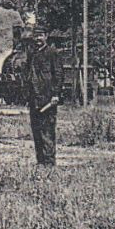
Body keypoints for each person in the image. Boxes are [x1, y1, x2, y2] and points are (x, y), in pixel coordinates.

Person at [23, 29, 67, 166]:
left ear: (46, 37)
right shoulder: (32, 54)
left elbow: (59, 75)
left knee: (47, 131)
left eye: (40, 35)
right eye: (35, 36)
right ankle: (40, 162)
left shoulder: (52, 53)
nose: (38, 39)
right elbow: (28, 75)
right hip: (34, 99)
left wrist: (56, 94)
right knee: (36, 132)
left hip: (47, 99)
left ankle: (49, 163)